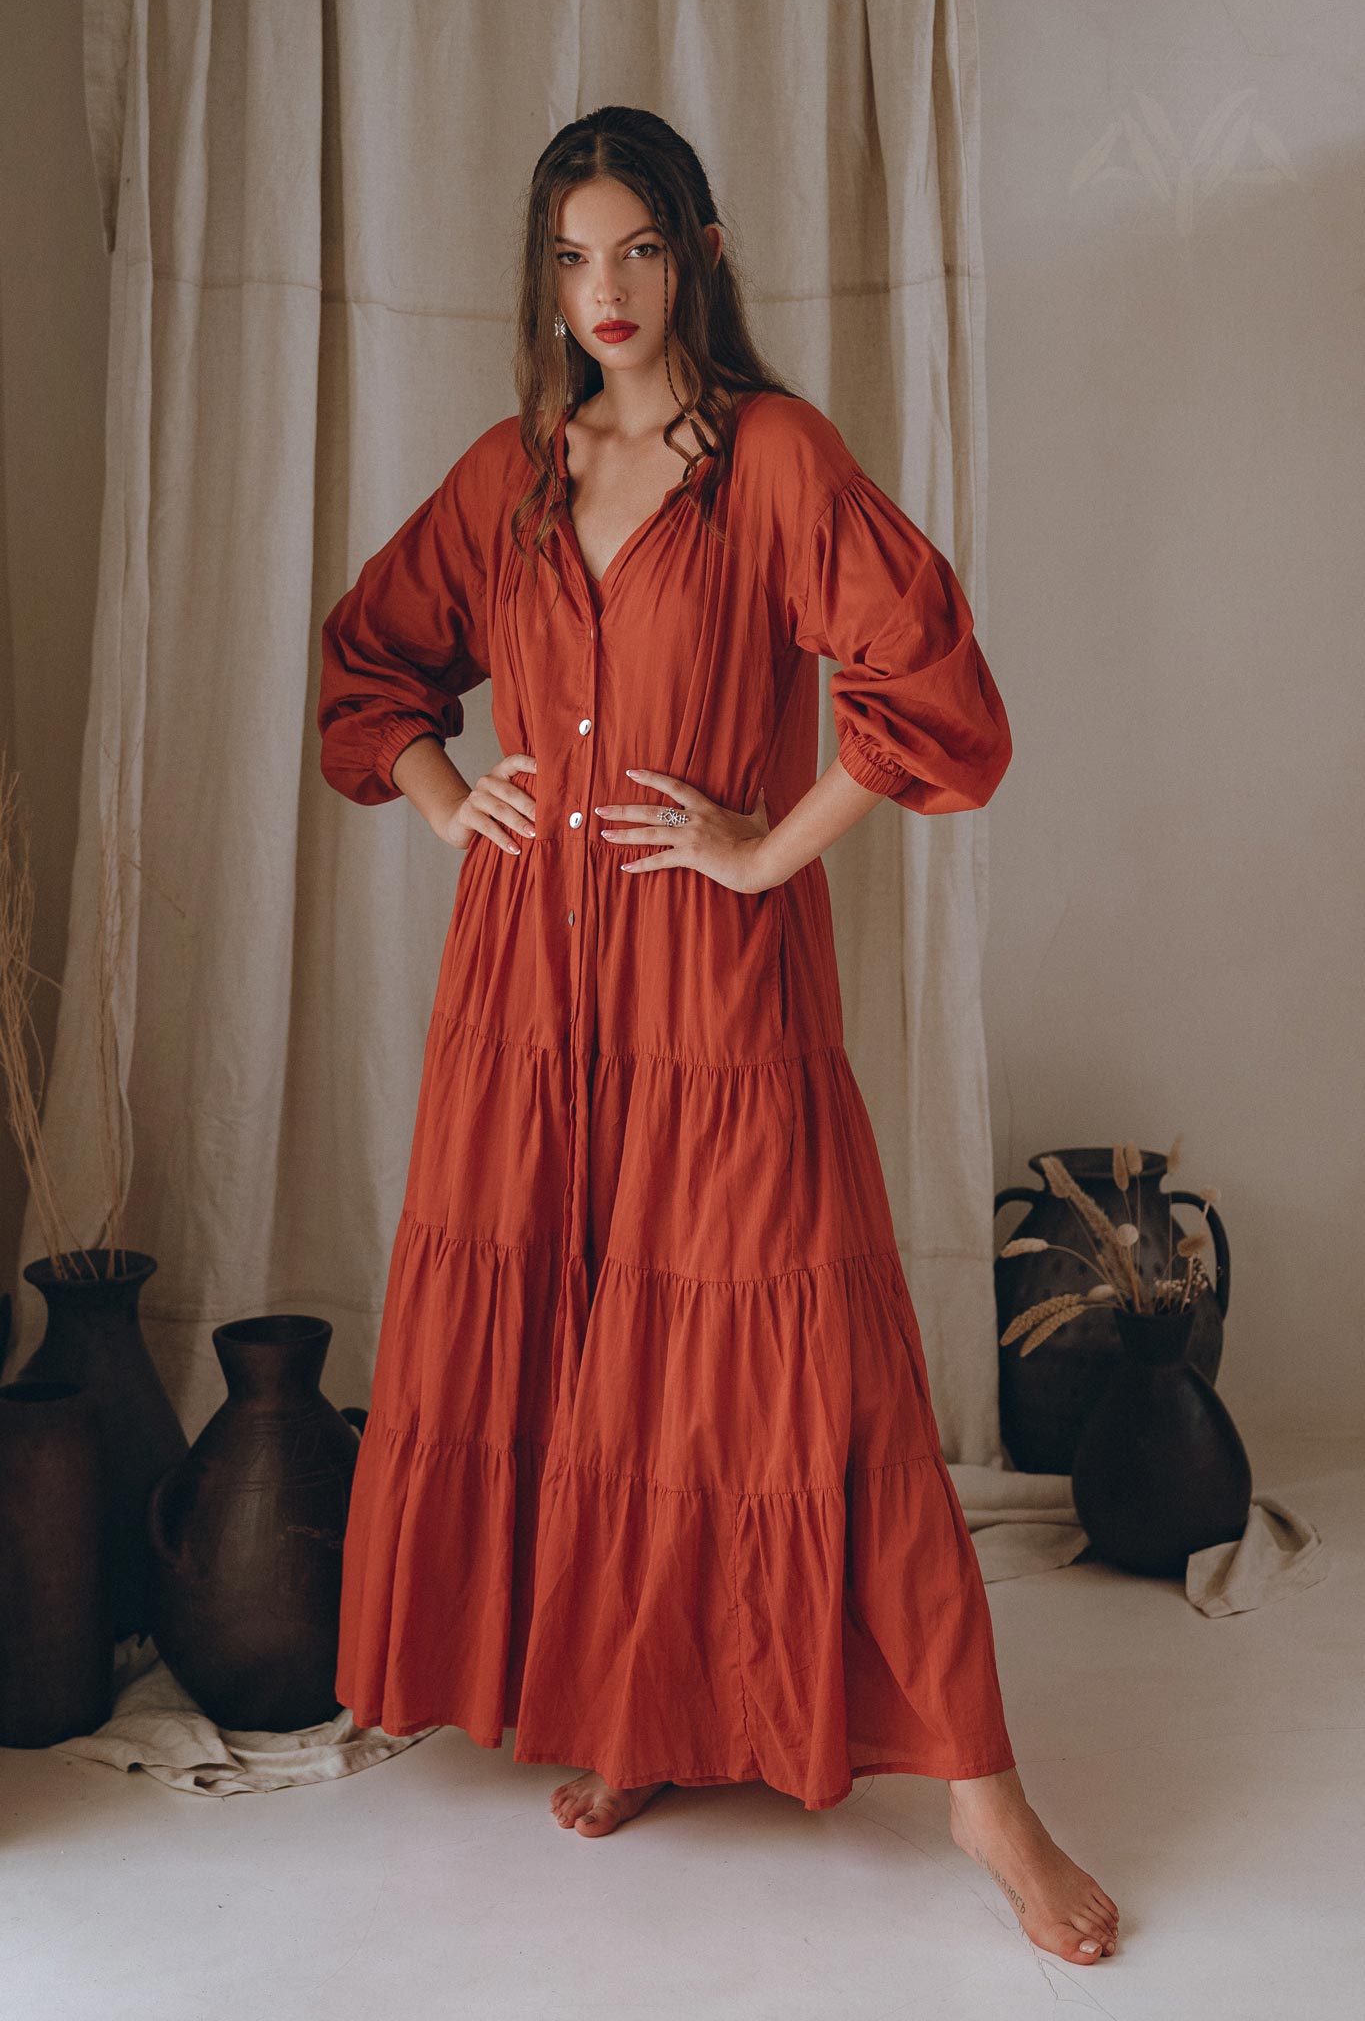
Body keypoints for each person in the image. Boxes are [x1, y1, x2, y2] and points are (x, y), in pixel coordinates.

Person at [316, 106, 1119, 1967]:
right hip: (529, 1000)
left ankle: (986, 1797)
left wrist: (766, 846)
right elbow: (373, 663)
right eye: (572, 259)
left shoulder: (761, 456)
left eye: (638, 251)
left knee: (796, 1354)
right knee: (595, 1335)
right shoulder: (516, 470)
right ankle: (640, 1709)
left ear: (698, 252)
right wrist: (452, 804)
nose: (604, 293)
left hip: (712, 993)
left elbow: (932, 694)